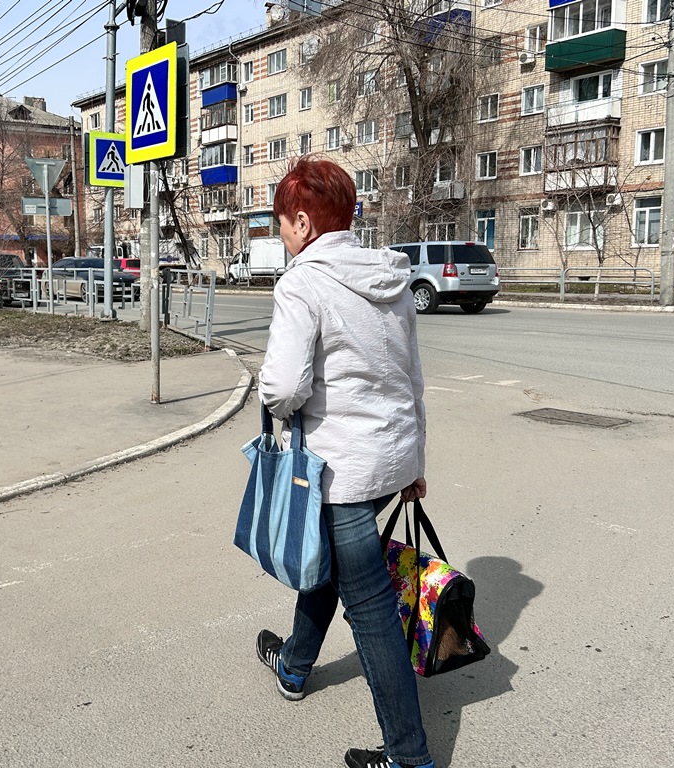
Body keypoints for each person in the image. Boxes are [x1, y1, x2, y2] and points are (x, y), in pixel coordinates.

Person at [255, 156, 433, 768]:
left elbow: (282, 388)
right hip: (390, 462)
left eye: (283, 223)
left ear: (303, 223)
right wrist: (415, 462)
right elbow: (411, 378)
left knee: (372, 610)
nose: (282, 234)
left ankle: (409, 755)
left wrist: (277, 400)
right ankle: (295, 665)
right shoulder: (391, 277)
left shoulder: (302, 284)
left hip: (343, 474)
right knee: (328, 566)